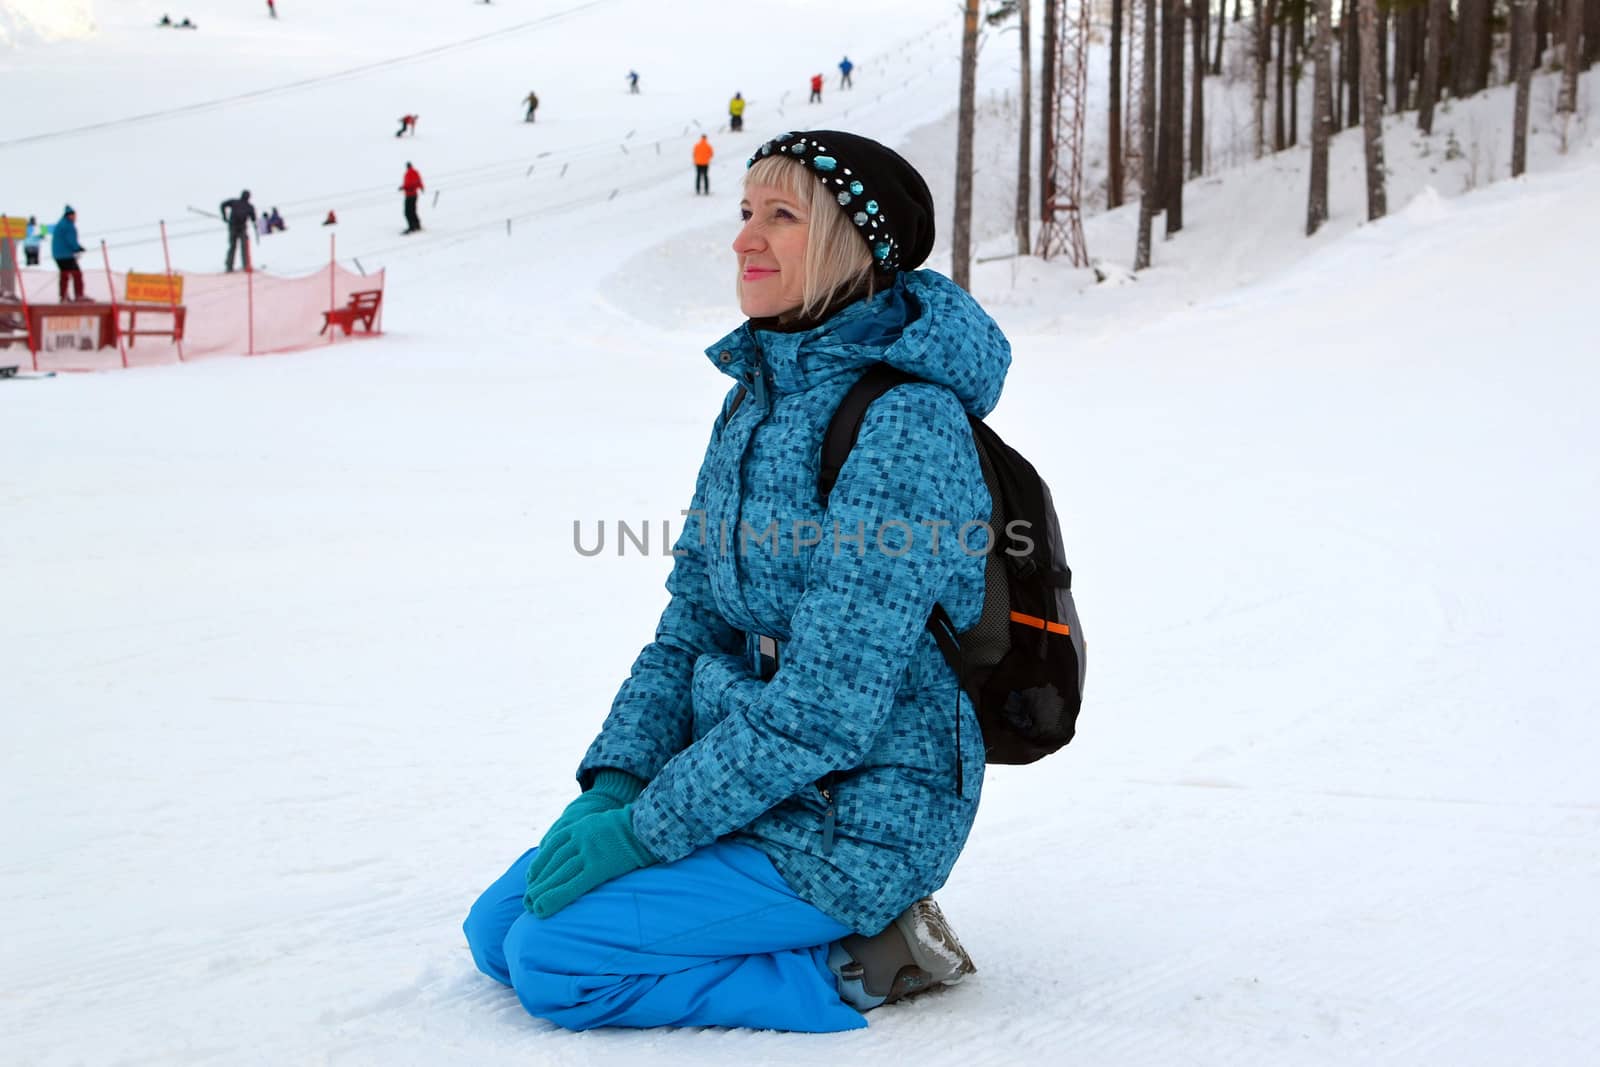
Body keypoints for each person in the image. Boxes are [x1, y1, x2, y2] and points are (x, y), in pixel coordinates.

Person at [463, 129, 1002, 1032]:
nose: (746, 238)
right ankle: (750, 913)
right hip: (744, 779)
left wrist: (644, 834)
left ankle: (862, 958)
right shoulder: (757, 398)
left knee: (554, 963)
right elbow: (691, 625)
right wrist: (620, 783)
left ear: (855, 245)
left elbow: (829, 705)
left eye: (781, 216)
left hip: (857, 812)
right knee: (497, 931)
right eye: (746, 212)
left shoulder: (908, 424)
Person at [52, 206, 86, 303]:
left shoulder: (60, 224)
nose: (75, 218)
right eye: (74, 215)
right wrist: (77, 248)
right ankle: (79, 295)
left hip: (58, 255)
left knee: (64, 275)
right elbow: (70, 240)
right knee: (77, 274)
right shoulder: (68, 225)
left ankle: (63, 296)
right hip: (66, 255)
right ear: (70, 215)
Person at [220, 190, 256, 273]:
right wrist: (224, 216)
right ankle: (241, 265)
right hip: (236, 227)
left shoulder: (238, 203)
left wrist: (224, 216)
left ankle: (231, 266)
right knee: (240, 247)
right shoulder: (248, 206)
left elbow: (222, 205)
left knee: (235, 246)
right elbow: (253, 218)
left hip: (237, 227)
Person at [400, 162, 424, 233]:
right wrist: (421, 187)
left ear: (407, 166)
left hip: (409, 195)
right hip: (414, 195)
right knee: (413, 211)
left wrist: (403, 187)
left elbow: (408, 184)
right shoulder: (415, 172)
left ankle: (411, 227)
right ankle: (417, 225)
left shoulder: (408, 174)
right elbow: (419, 181)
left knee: (407, 212)